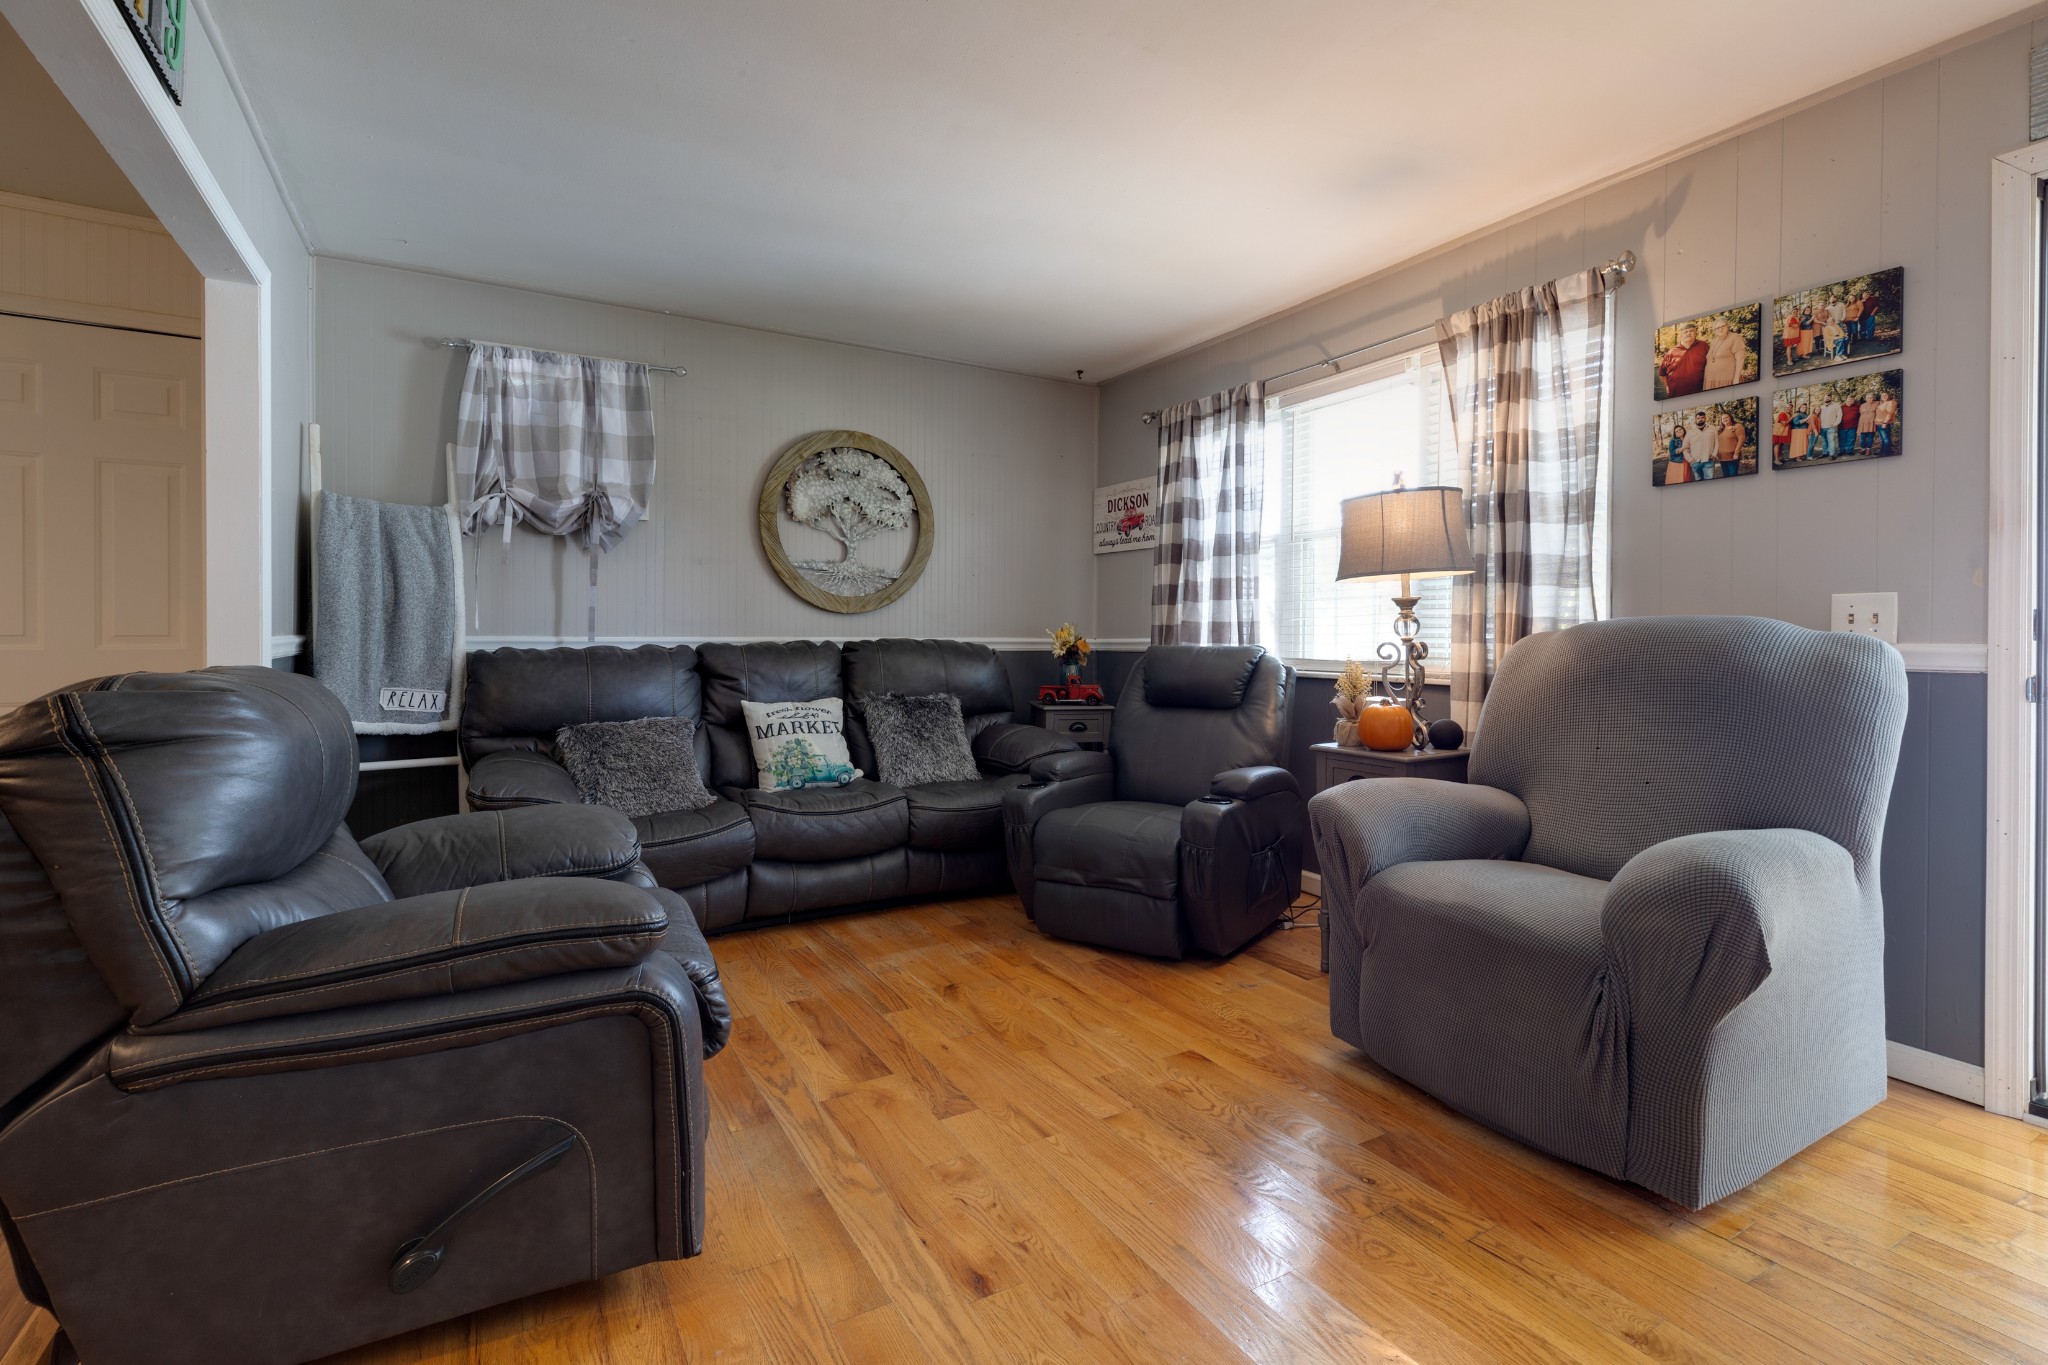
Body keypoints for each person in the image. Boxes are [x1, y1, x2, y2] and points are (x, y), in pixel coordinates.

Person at [1659, 322, 1709, 398]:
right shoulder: (1671, 352)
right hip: (1675, 394)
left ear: (1696, 332)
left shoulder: (1703, 346)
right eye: (1686, 331)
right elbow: (1662, 373)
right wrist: (1666, 386)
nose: (1688, 333)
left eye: (1691, 331)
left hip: (1698, 392)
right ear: (1681, 335)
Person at [1702, 315, 1749, 391]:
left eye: (1722, 326)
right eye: (1717, 328)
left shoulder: (1735, 338)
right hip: (1710, 380)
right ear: (1714, 330)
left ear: (1727, 326)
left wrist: (1736, 379)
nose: (1720, 329)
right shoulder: (1714, 341)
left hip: (1727, 381)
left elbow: (1740, 359)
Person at [1684, 411, 1718, 480]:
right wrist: (1689, 459)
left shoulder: (1712, 428)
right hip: (1695, 462)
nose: (1700, 419)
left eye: (1702, 417)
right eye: (1698, 418)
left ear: (1705, 418)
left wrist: (1714, 454)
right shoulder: (1690, 432)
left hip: (1709, 460)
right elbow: (1685, 447)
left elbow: (1717, 443)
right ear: (1695, 419)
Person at [1714, 412, 1745, 477]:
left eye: (1727, 417)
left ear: (1731, 418)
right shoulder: (1720, 429)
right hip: (1722, 457)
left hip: (1732, 457)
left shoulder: (1737, 426)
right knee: (1726, 476)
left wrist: (1736, 453)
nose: (1725, 419)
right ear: (1721, 420)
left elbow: (1741, 439)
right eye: (1723, 418)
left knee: (1733, 475)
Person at [1872, 389, 1898, 455]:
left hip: (1884, 423)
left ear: (1888, 395)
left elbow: (1890, 414)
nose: (1883, 396)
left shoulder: (1891, 402)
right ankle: (1882, 451)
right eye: (1882, 396)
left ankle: (1886, 452)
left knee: (1886, 438)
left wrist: (1885, 423)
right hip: (1879, 423)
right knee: (1883, 439)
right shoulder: (1882, 403)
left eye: (1885, 395)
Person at [1818, 392, 1843, 457]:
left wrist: (1835, 424)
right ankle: (1825, 453)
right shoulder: (1821, 407)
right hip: (1822, 427)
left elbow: (1839, 415)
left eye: (1829, 397)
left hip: (1831, 427)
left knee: (1831, 440)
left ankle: (1831, 454)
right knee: (1824, 441)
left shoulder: (1836, 405)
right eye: (1826, 397)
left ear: (1831, 398)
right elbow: (1817, 416)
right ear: (1824, 398)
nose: (1827, 398)